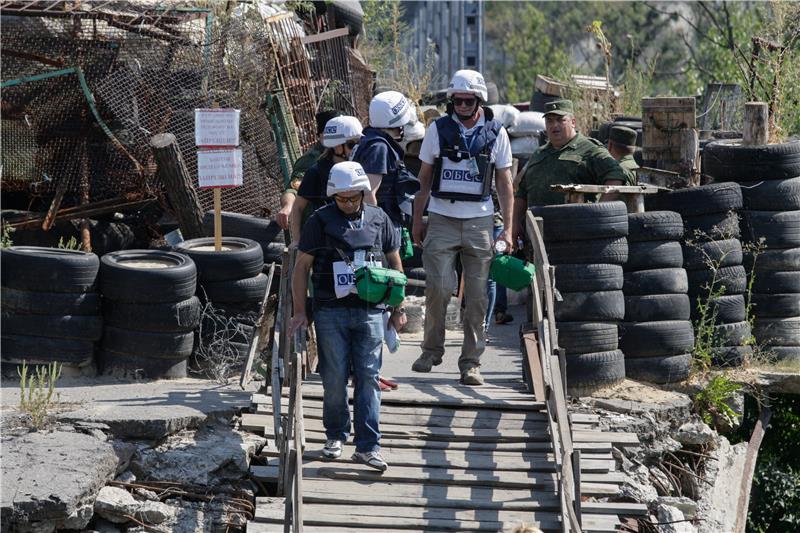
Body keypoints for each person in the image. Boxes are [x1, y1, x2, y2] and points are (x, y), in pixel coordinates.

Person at [289, 161, 407, 471]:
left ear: (363, 193)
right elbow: (301, 268)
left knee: (368, 376)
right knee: (335, 377)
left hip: (371, 312)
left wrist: (398, 309)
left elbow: (396, 266)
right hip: (330, 312)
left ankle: (368, 446)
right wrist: (301, 312)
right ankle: (335, 435)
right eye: (341, 198)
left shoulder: (381, 220)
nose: (348, 203)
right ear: (332, 196)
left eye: (353, 197)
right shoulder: (319, 221)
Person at [410, 69, 514, 386]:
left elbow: (505, 184)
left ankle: (471, 362)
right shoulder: (437, 130)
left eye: (468, 100)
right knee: (439, 287)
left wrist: (508, 230)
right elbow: (424, 179)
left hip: (480, 221)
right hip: (442, 217)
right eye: (457, 100)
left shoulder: (497, 134)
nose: (463, 105)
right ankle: (431, 350)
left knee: (479, 297)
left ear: (478, 99)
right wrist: (418, 219)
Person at [512, 99, 629, 242]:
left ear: (573, 122)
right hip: (536, 233)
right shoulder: (539, 153)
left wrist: (598, 213)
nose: (554, 125)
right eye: (549, 121)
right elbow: (522, 193)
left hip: (573, 235)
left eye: (561, 120)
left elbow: (616, 176)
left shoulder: (589, 150)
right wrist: (515, 224)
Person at [288, 115, 363, 245]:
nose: (357, 148)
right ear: (337, 147)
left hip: (357, 236)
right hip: (326, 242)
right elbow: (298, 207)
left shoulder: (361, 168)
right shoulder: (316, 172)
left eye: (359, 143)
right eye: (352, 144)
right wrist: (296, 241)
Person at [351, 90, 420, 228]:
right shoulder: (378, 147)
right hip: (384, 223)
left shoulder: (370, 140)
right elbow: (368, 192)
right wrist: (375, 230)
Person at [276, 109, 342, 230]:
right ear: (321, 135)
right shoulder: (310, 160)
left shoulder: (352, 152)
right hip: (318, 226)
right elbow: (293, 189)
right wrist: (287, 207)